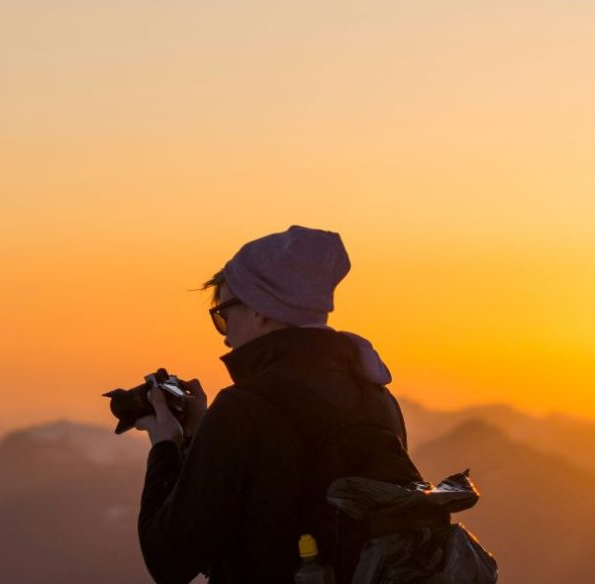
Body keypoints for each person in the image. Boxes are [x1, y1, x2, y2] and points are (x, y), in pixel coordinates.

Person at [135, 225, 411, 584]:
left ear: (258, 309)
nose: (225, 334)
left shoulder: (243, 409)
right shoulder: (376, 398)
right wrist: (203, 437)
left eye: (223, 313)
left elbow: (168, 561)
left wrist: (166, 447)